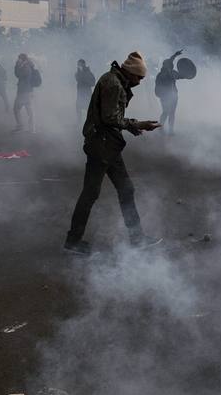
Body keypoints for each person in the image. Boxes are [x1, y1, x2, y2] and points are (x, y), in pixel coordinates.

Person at [64, 52, 162, 255]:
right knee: (92, 192)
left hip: (107, 144)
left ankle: (136, 238)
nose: (140, 82)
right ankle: (73, 241)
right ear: (131, 72)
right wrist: (136, 124)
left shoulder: (114, 80)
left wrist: (133, 128)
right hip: (102, 145)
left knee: (125, 189)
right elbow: (110, 118)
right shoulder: (114, 84)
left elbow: (110, 118)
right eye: (139, 78)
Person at [154, 50, 183, 134]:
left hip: (173, 96)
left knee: (172, 113)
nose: (171, 66)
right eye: (169, 65)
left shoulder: (172, 72)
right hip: (164, 96)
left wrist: (174, 55)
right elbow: (159, 86)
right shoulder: (161, 75)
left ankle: (170, 129)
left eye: (171, 65)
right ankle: (161, 127)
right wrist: (174, 56)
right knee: (166, 112)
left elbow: (181, 76)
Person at [13, 53, 38, 133]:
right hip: (28, 91)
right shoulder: (28, 65)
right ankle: (32, 129)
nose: (17, 60)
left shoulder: (26, 67)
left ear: (22, 59)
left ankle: (21, 127)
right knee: (29, 110)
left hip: (24, 91)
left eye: (19, 58)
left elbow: (19, 75)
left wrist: (17, 65)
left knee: (16, 109)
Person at [75, 60, 96, 124]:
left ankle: (90, 123)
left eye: (80, 64)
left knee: (88, 109)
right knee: (78, 108)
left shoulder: (89, 73)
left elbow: (93, 83)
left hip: (87, 94)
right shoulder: (78, 73)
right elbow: (78, 78)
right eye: (78, 65)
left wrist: (84, 76)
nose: (79, 66)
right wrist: (80, 72)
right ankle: (79, 123)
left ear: (84, 64)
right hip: (80, 94)